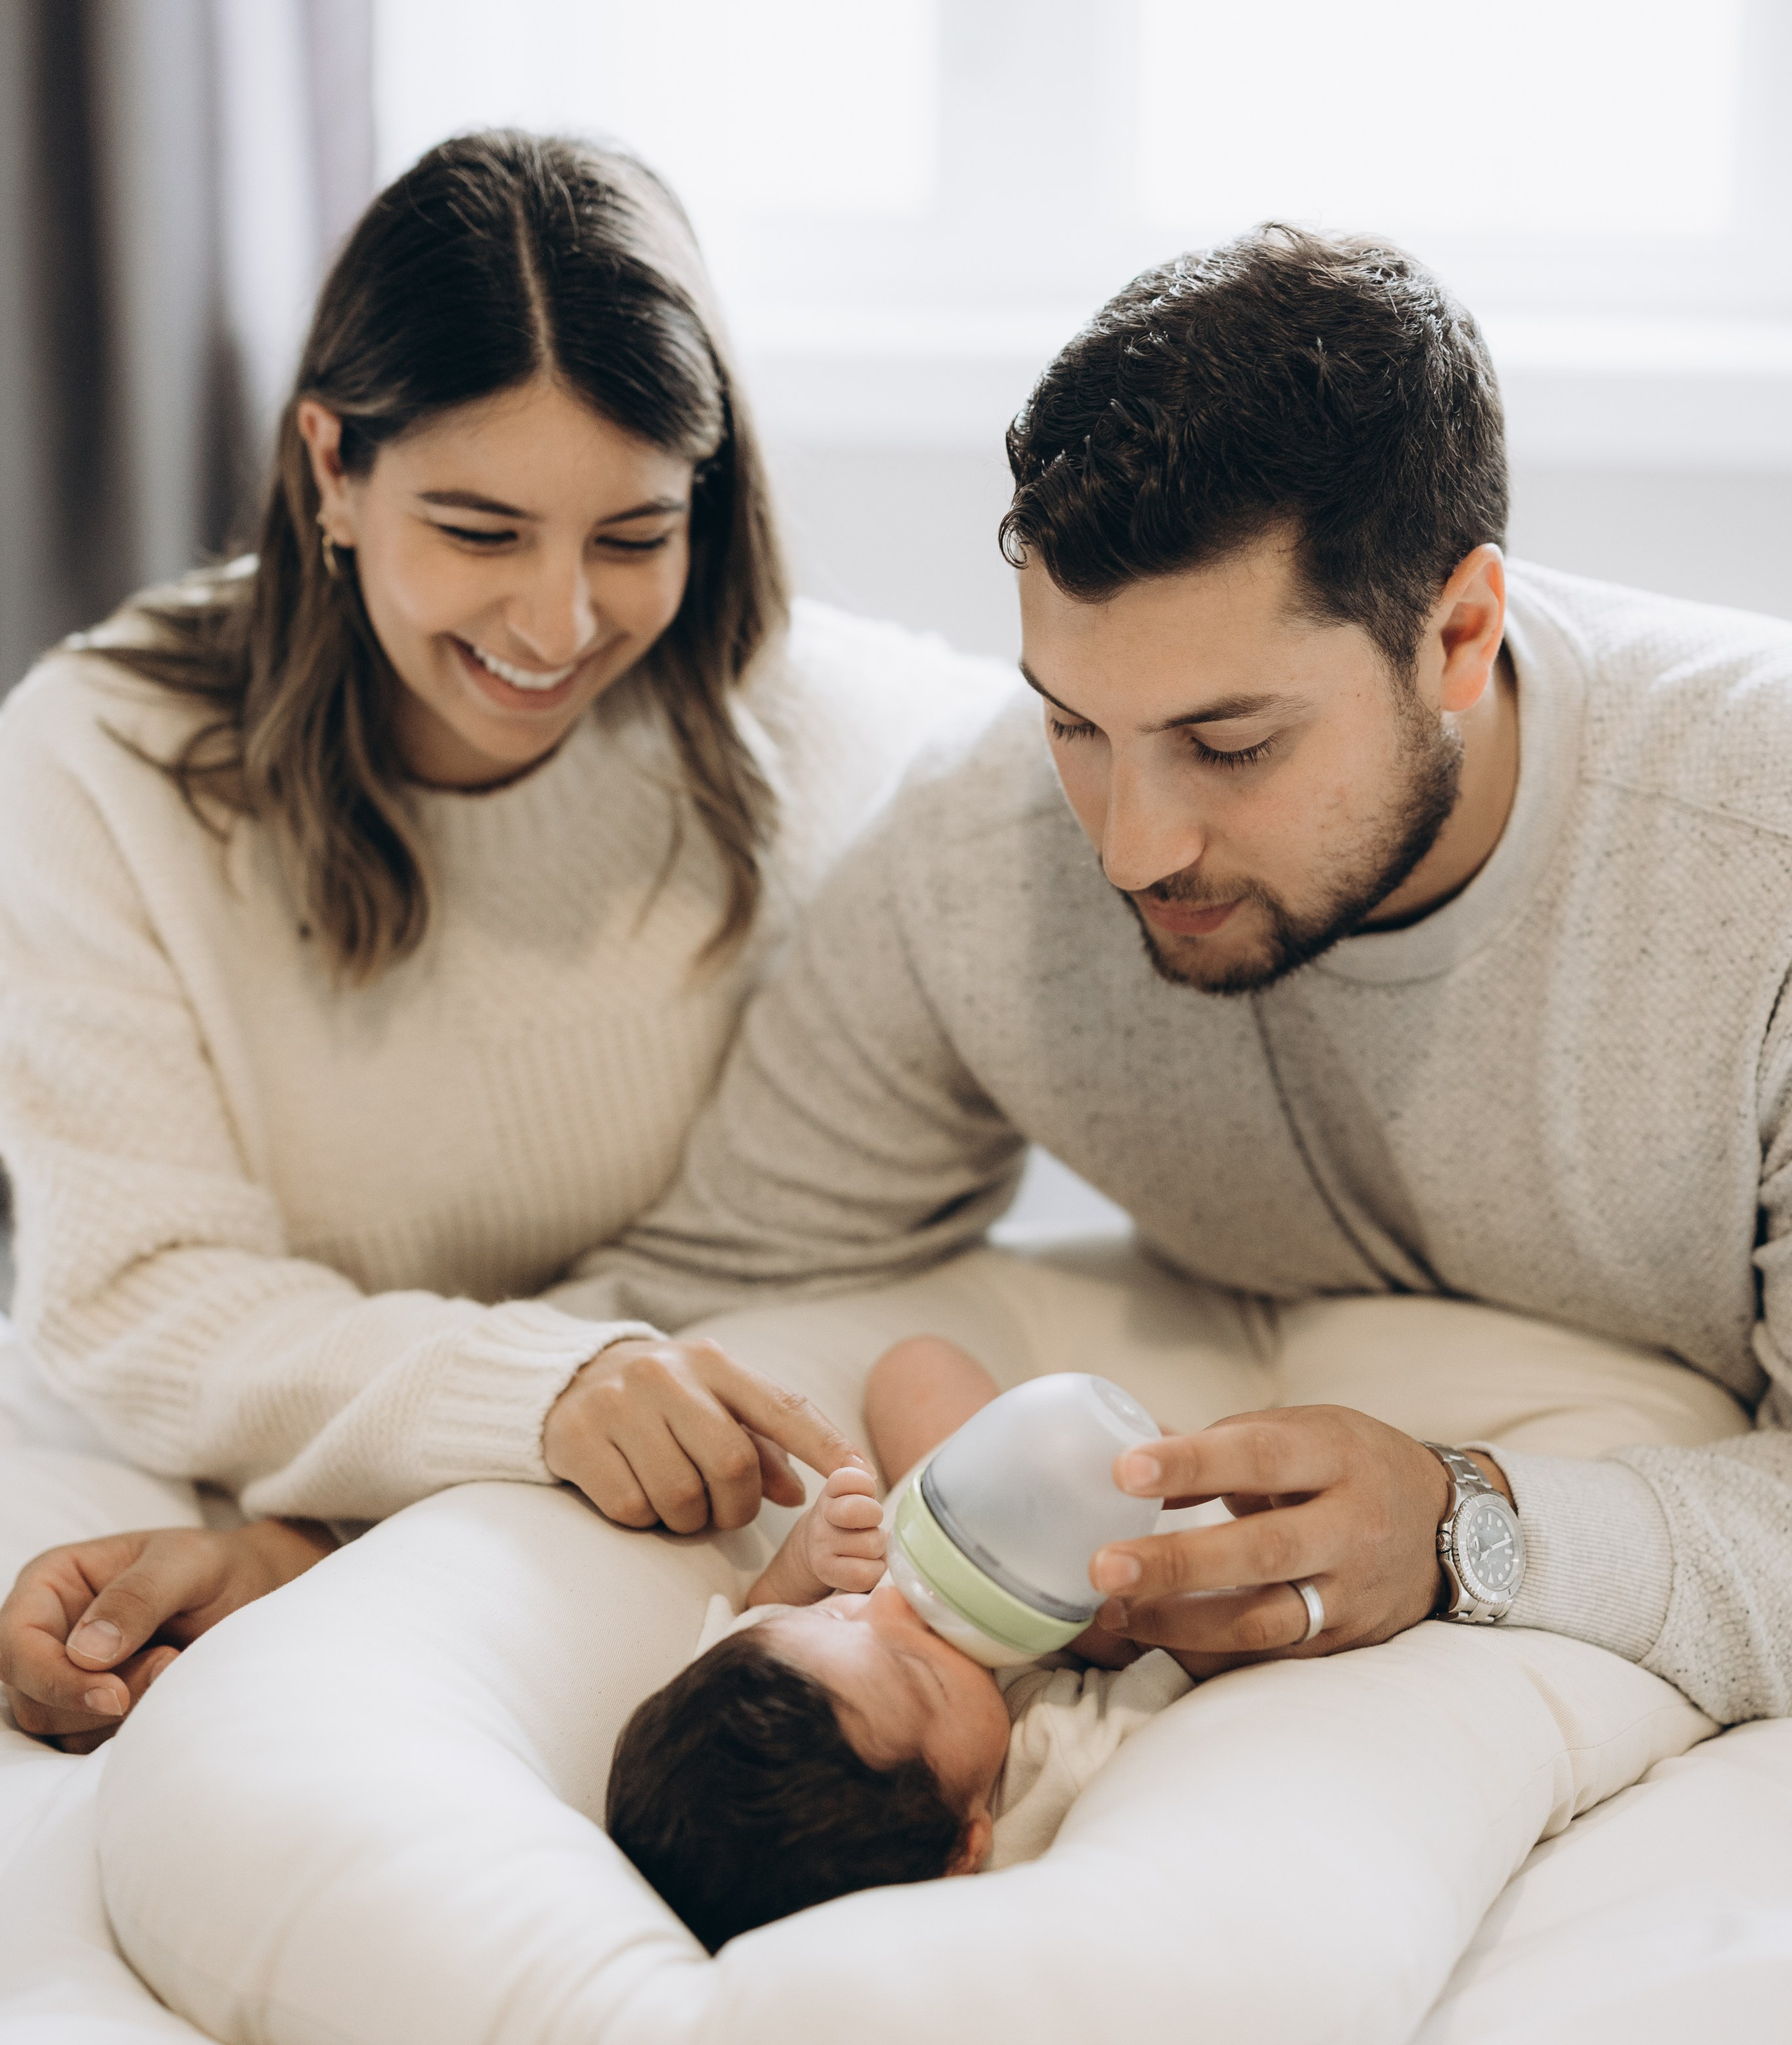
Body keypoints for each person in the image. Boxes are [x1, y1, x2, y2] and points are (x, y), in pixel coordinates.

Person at [543, 223, 1792, 1730]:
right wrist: (313, 1528)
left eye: (1230, 746)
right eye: (1073, 723)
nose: (1132, 848)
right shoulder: (974, 857)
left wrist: (1463, 1526)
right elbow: (717, 1292)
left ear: (1458, 633)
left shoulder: (1754, 858)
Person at [0, 129, 1007, 1748]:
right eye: (477, 531)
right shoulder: (97, 762)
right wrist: (527, 1394)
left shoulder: (825, 733)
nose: (557, 625)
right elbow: (132, 1301)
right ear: (330, 468)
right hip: (181, 1449)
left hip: (508, 1505)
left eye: (631, 537)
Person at [606, 1335, 1193, 1951]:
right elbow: (1177, 1669)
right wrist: (1101, 1627)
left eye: (835, 1620)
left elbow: (766, 1607)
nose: (891, 1605)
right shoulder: (1045, 1764)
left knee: (914, 1368)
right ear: (967, 1844)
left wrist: (810, 1560)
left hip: (947, 1514)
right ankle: (1150, 1472)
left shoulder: (757, 1680)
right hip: (1098, 1577)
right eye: (922, 1671)